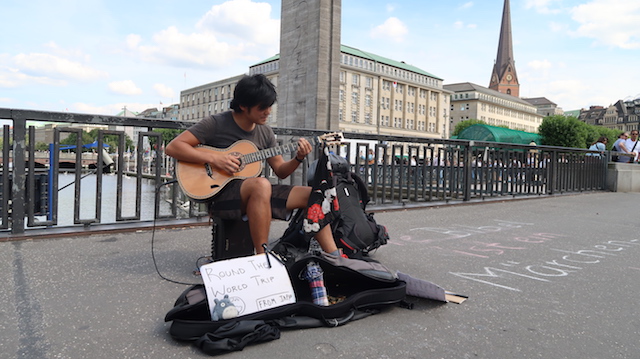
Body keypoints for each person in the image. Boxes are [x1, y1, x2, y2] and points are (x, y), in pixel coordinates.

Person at [165, 74, 339, 255]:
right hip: (219, 195)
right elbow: (174, 147)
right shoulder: (216, 123)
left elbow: (280, 171)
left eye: (270, 106)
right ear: (243, 106)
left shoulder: (265, 132)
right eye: (262, 108)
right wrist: (215, 159)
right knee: (261, 184)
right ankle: (261, 257)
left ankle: (335, 256)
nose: (268, 112)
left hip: (255, 194)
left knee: (312, 194)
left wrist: (298, 158)